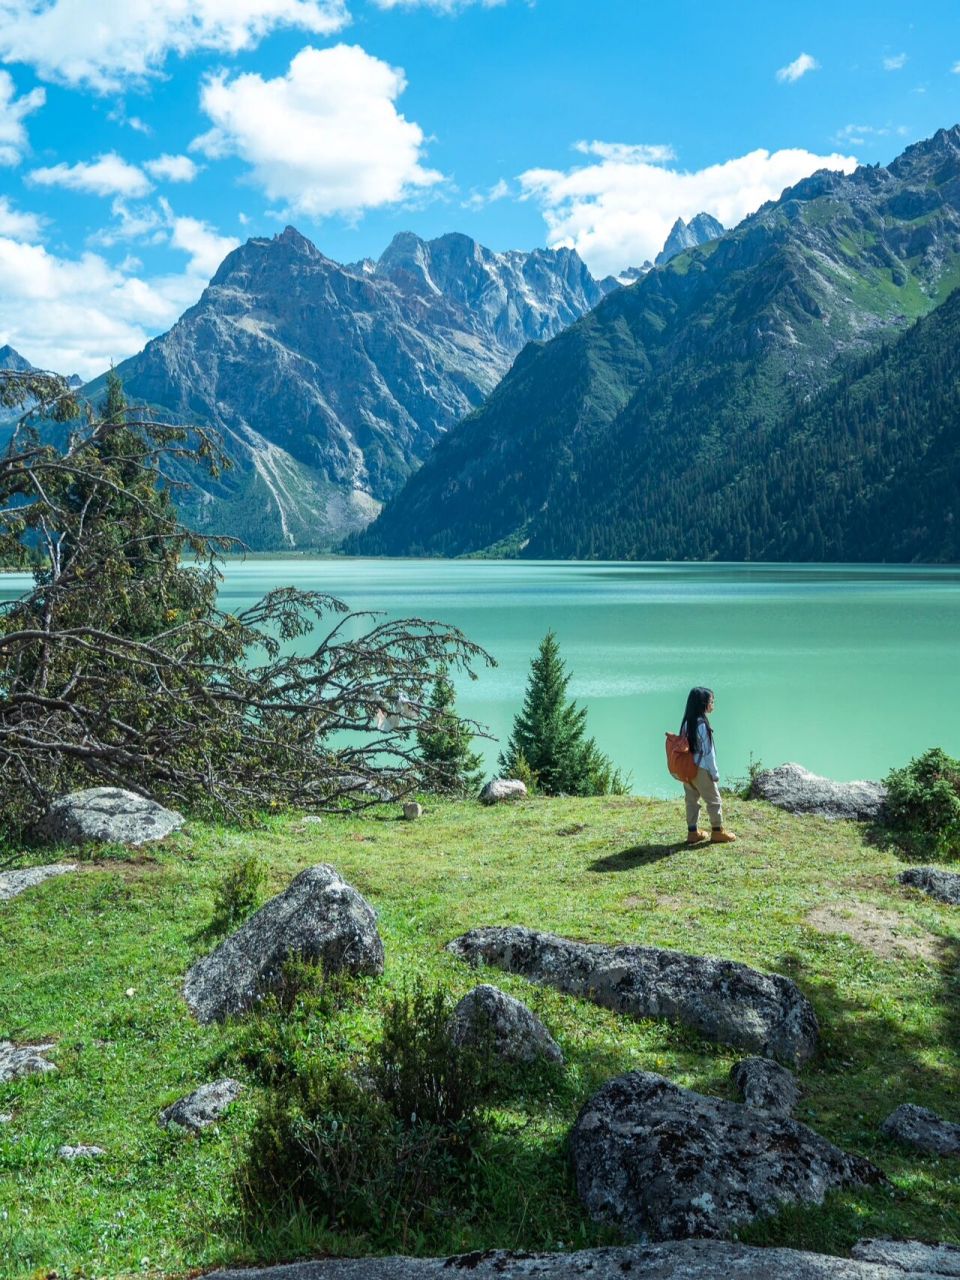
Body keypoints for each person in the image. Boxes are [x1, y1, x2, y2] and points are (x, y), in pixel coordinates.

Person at [679, 687, 736, 844]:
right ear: (702, 704)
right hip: (702, 769)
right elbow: (708, 753)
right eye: (711, 701)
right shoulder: (702, 725)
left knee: (691, 800)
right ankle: (717, 831)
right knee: (714, 800)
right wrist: (714, 773)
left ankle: (692, 832)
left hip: (687, 769)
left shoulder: (686, 723)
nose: (713, 704)